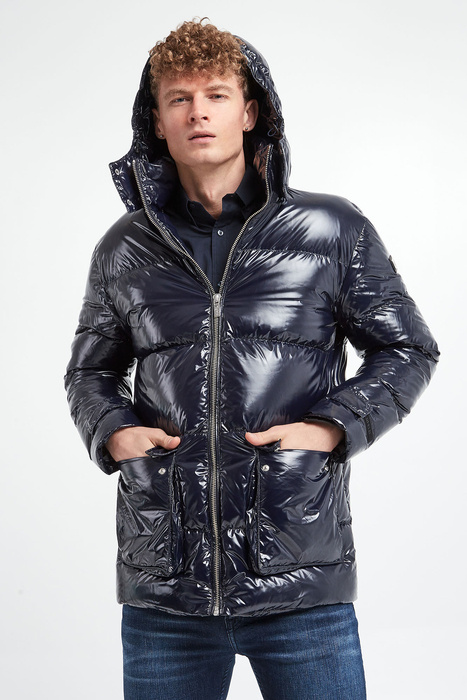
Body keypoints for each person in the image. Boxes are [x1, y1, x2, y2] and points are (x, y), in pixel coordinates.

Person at [65, 18, 439, 700]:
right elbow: (90, 371)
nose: (197, 112)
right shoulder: (124, 248)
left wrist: (330, 426)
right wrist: (112, 431)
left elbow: (407, 347)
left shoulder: (331, 229)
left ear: (249, 112)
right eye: (178, 98)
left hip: (298, 576)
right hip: (165, 586)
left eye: (215, 94)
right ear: (157, 121)